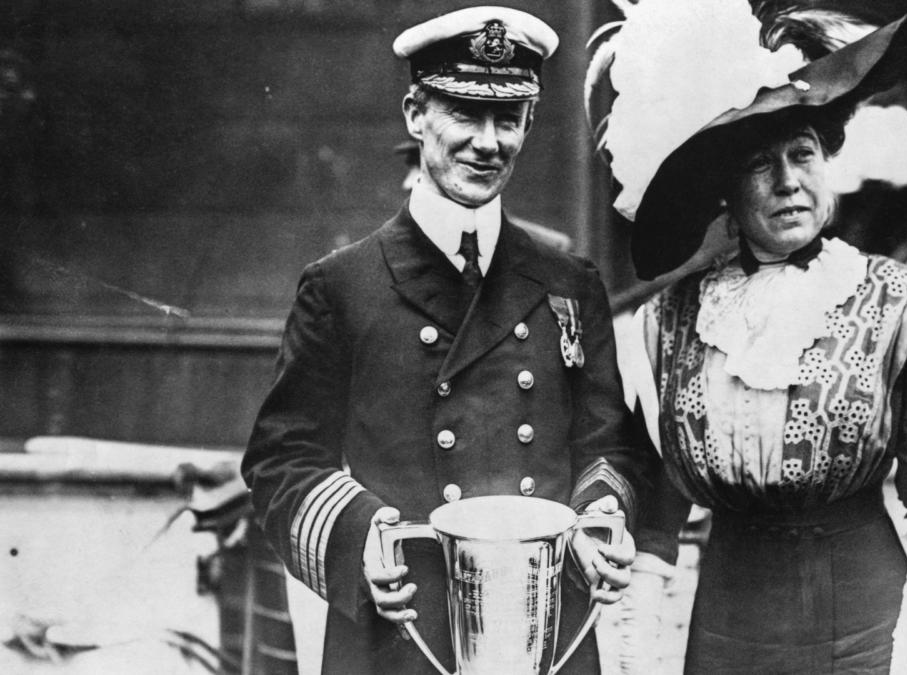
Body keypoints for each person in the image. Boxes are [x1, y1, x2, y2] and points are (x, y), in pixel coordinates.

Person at [241, 7, 650, 673]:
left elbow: (610, 444)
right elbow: (282, 458)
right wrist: (360, 536)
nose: (487, 142)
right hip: (403, 629)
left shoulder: (569, 281)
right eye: (464, 112)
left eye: (507, 117)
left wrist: (600, 518)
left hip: (544, 624)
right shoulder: (341, 286)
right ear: (414, 113)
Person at [588, 2, 907, 672]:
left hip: (867, 624)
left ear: (828, 161)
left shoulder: (898, 304)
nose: (788, 182)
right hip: (726, 629)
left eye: (803, 153)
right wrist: (634, 647)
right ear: (727, 193)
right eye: (759, 163)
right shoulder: (674, 321)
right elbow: (653, 514)